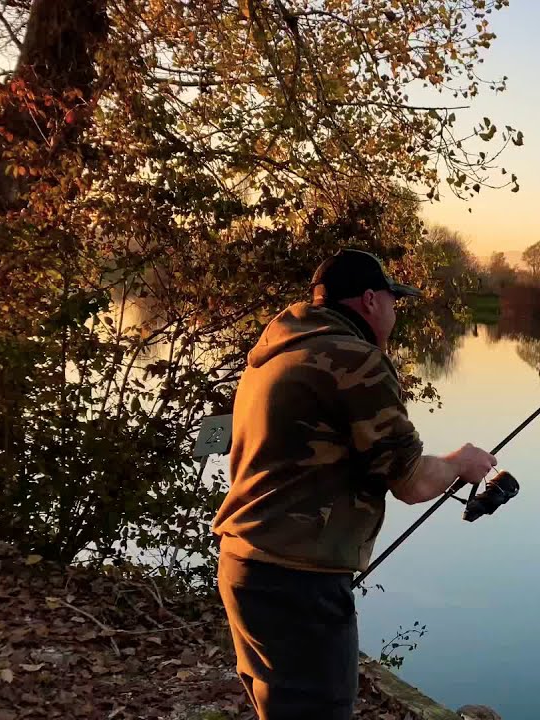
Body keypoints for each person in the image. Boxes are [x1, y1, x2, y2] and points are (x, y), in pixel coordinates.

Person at [213, 248, 497, 719]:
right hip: (297, 582)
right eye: (392, 300)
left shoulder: (276, 351)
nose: (394, 311)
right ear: (369, 300)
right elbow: (410, 481)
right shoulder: (353, 359)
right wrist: (460, 462)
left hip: (244, 565)